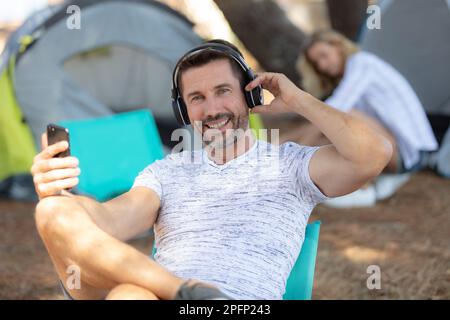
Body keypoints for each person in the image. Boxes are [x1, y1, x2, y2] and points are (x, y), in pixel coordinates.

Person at [31, 40, 392, 300]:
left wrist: (299, 101)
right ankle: (186, 293)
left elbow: (373, 154)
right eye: (197, 98)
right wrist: (63, 199)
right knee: (54, 213)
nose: (212, 109)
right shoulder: (166, 172)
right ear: (184, 112)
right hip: (164, 298)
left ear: (249, 97)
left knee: (130, 294)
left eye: (223, 92)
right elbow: (109, 221)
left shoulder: (291, 165)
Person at [295, 30, 438, 208]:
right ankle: (294, 164)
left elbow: (336, 108)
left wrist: (295, 143)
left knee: (340, 117)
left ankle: (360, 189)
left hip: (409, 155)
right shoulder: (352, 72)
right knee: (332, 125)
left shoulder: (362, 63)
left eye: (324, 56)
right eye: (317, 63)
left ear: (338, 46)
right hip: (393, 150)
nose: (322, 65)